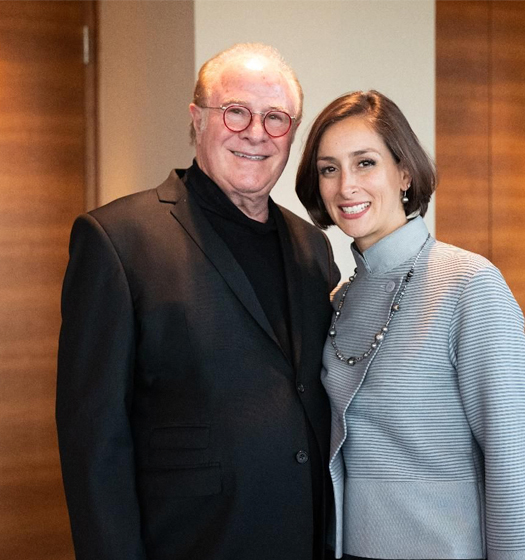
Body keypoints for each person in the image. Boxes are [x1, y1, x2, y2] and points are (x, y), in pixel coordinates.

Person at [56, 43, 340, 560]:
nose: (256, 132)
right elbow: (93, 445)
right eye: (236, 112)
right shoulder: (118, 240)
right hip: (191, 544)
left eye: (276, 118)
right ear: (197, 119)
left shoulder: (313, 247)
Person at [296, 90, 525, 560]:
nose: (346, 185)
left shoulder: (470, 285)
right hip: (349, 548)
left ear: (404, 172)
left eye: (365, 163)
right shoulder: (339, 298)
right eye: (329, 168)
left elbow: (508, 461)